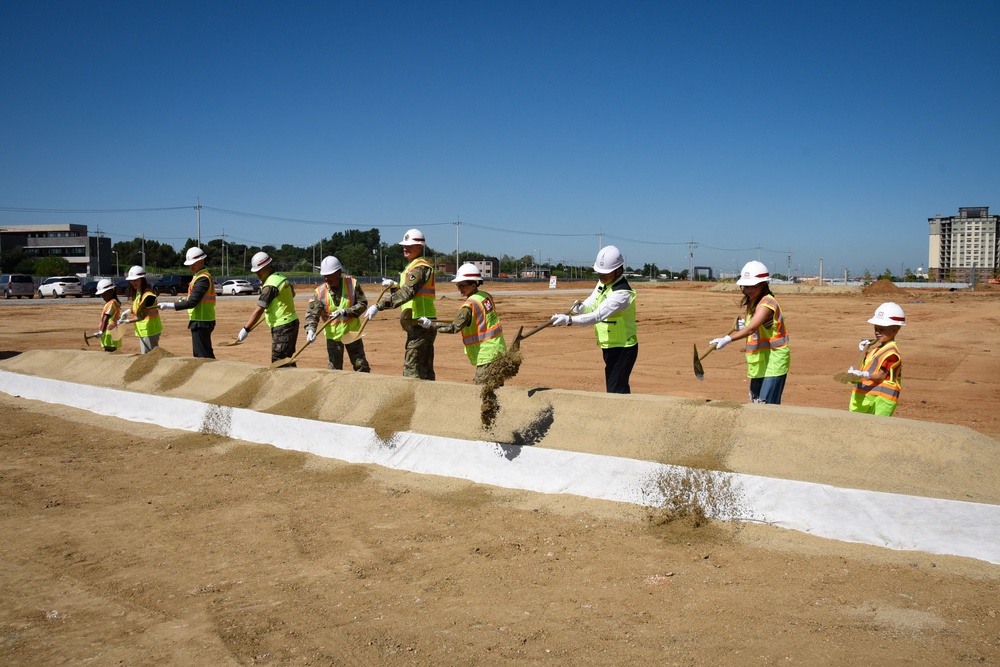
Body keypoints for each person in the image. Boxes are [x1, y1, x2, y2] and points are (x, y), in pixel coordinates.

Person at [548, 245, 638, 394]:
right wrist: (582, 308)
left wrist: (569, 320)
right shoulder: (604, 283)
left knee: (616, 391)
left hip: (623, 348)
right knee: (618, 388)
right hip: (610, 346)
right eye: (599, 273)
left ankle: (621, 415)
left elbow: (597, 316)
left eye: (605, 273)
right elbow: (592, 302)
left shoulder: (622, 294)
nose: (601, 276)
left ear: (618, 271)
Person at [708, 260, 790, 404]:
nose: (748, 290)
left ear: (763, 284)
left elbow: (751, 328)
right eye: (745, 286)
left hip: (774, 361)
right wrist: (743, 325)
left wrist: (727, 339)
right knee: (756, 403)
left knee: (766, 406)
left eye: (752, 286)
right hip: (759, 362)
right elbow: (752, 325)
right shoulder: (752, 303)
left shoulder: (767, 302)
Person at [365, 228, 437, 380]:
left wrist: (379, 306)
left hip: (421, 322)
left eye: (410, 245)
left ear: (420, 247)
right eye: (404, 245)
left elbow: (407, 293)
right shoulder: (411, 267)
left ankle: (411, 401)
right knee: (424, 368)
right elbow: (408, 292)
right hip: (417, 321)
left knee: (412, 370)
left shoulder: (420, 268)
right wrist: (394, 287)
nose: (405, 248)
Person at [434, 263, 506, 385]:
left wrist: (431, 325)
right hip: (498, 349)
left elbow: (454, 327)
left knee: (483, 393)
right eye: (458, 285)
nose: (460, 289)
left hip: (486, 355)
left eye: (463, 285)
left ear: (473, 284)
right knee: (497, 391)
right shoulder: (485, 296)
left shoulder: (469, 305)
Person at [304, 255, 371, 372]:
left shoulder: (352, 284)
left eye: (329, 275)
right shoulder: (319, 292)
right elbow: (312, 314)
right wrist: (310, 329)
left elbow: (363, 304)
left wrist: (346, 312)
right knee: (334, 370)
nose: (326, 279)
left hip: (352, 334)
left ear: (339, 273)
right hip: (333, 337)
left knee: (361, 365)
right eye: (325, 276)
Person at [237, 251, 300, 365]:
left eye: (259, 271)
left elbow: (259, 309)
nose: (258, 274)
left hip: (282, 326)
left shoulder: (270, 285)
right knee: (287, 360)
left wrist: (246, 329)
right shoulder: (281, 277)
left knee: (279, 362)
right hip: (291, 322)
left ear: (268, 267)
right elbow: (292, 293)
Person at [847, 302, 905, 416]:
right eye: (876, 329)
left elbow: (881, 376)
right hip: (866, 397)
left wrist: (863, 375)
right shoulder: (876, 350)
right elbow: (868, 366)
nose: (878, 332)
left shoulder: (891, 353)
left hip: (881, 401)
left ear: (895, 329)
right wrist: (863, 353)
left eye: (882, 329)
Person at [159, 246, 216, 358]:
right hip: (200, 319)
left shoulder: (202, 278)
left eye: (193, 263)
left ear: (202, 261)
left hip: (202, 320)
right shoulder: (198, 276)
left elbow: (192, 302)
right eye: (190, 264)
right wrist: (185, 299)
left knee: (203, 356)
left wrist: (168, 305)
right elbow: (194, 298)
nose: (191, 267)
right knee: (202, 353)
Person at [120, 265, 162, 354]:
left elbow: (142, 315)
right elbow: (138, 307)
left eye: (136, 280)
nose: (133, 283)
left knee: (150, 357)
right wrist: (129, 311)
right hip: (143, 330)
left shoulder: (148, 296)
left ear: (142, 280)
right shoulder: (139, 293)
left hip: (150, 330)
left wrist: (127, 321)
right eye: (131, 280)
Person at [93, 278, 122, 352]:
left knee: (109, 353)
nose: (103, 296)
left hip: (110, 334)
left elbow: (106, 318)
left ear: (111, 292)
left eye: (104, 294)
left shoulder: (112, 303)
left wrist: (101, 331)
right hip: (111, 333)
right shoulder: (112, 302)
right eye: (102, 295)